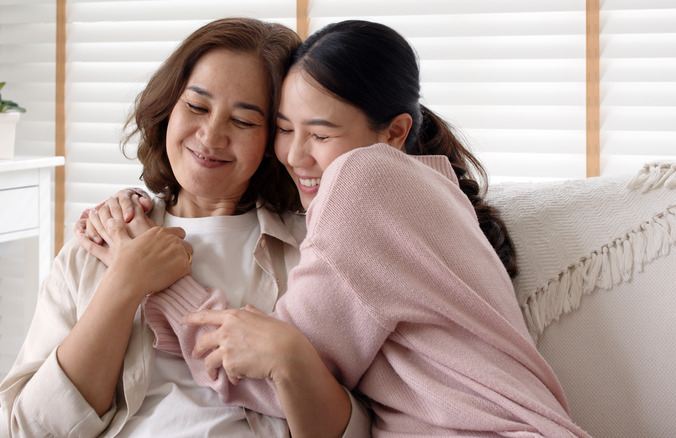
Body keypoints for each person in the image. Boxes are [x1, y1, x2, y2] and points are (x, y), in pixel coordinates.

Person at [83, 20, 591, 436]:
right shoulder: (424, 188)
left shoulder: (362, 180)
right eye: (283, 129)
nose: (295, 155)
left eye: (320, 134)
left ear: (394, 133)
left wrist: (148, 273)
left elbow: (271, 375)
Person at [0, 17, 370, 438]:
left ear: (273, 141)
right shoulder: (100, 240)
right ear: (168, 107)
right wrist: (124, 282)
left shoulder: (315, 252)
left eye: (244, 121)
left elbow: (357, 427)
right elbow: (34, 429)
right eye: (196, 107)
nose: (210, 136)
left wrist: (290, 359)